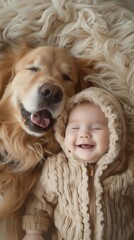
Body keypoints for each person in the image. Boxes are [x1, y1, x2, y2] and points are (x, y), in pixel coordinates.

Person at [22, 87, 134, 240]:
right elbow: (39, 202)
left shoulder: (127, 167)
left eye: (96, 128)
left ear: (115, 133)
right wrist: (33, 233)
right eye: (75, 128)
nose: (84, 134)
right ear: (63, 131)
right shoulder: (57, 168)